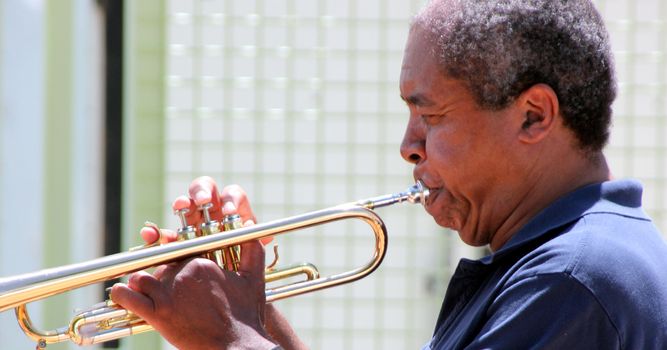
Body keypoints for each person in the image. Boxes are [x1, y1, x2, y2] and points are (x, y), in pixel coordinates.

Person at [111, 0, 667, 349]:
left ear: (533, 115)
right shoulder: (557, 261)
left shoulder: (571, 280)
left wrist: (227, 339)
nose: (408, 146)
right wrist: (253, 314)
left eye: (431, 116)